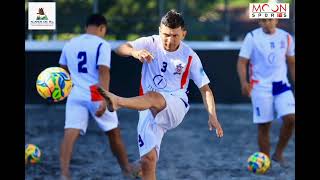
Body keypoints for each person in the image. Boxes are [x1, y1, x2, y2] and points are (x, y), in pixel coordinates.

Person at [96, 9, 224, 180]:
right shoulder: (150, 42)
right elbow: (120, 48)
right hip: (147, 109)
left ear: (183, 34)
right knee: (148, 162)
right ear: (159, 30)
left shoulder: (190, 56)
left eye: (175, 36)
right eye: (166, 35)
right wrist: (135, 52)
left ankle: (117, 102)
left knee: (153, 96)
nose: (170, 40)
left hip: (175, 105)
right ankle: (140, 166)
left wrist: (212, 115)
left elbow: (205, 89)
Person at [58, 14, 140, 180]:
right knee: (113, 133)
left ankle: (64, 174)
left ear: (86, 27)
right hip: (96, 93)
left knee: (70, 133)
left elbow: (62, 68)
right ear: (102, 28)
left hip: (75, 94)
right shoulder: (102, 44)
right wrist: (105, 98)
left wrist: (65, 88)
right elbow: (104, 71)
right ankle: (126, 170)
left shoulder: (70, 43)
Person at [237, 19, 295, 168]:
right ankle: (265, 161)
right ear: (259, 22)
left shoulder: (286, 37)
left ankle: (278, 154)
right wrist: (244, 82)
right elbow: (242, 62)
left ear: (276, 20)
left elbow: (291, 62)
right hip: (260, 86)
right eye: (263, 20)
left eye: (270, 19)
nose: (267, 23)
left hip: (281, 85)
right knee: (264, 126)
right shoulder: (252, 37)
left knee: (291, 118)